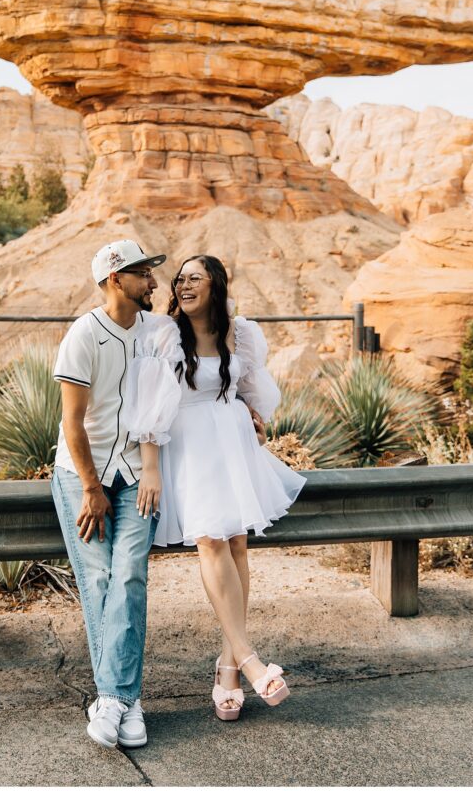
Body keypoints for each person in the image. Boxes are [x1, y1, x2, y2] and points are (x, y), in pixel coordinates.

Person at [122, 254, 306, 721]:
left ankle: (228, 667)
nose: (183, 285)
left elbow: (248, 386)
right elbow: (149, 405)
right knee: (210, 540)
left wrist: (252, 411)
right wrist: (152, 468)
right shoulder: (164, 334)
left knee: (238, 543)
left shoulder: (240, 332)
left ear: (216, 285)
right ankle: (250, 660)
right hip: (189, 447)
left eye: (194, 278)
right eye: (179, 279)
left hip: (232, 441)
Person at [50, 239, 176, 750]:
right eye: (143, 273)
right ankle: (127, 698)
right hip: (82, 474)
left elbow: (166, 403)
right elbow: (72, 423)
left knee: (129, 575)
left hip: (136, 472)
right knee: (98, 576)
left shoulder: (158, 332)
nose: (153, 282)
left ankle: (113, 699)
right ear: (114, 279)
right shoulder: (82, 335)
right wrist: (89, 488)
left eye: (151, 272)